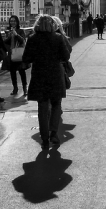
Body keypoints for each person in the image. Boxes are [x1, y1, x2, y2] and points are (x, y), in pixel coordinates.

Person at [22, 14, 72, 150]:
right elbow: (66, 56)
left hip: (39, 76)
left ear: (37, 24)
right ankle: (54, 133)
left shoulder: (32, 39)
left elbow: (26, 58)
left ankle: (44, 139)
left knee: (42, 107)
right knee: (56, 104)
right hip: (55, 75)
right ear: (52, 25)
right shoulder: (58, 38)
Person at [4, 15, 28, 96]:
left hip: (19, 53)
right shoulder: (8, 31)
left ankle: (25, 88)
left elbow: (23, 41)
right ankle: (15, 88)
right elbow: (5, 42)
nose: (12, 22)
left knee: (22, 71)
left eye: (14, 21)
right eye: (11, 21)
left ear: (17, 22)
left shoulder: (21, 31)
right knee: (12, 72)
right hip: (11, 54)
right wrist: (9, 36)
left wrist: (16, 34)